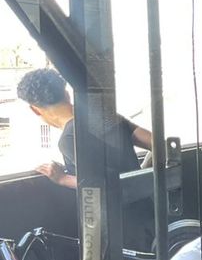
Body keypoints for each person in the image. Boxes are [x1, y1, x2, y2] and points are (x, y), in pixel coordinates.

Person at [16, 67, 153, 189]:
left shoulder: (69, 139)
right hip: (148, 204)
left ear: (35, 110)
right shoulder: (105, 115)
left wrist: (63, 178)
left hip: (123, 210)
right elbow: (155, 143)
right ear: (67, 94)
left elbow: (103, 185)